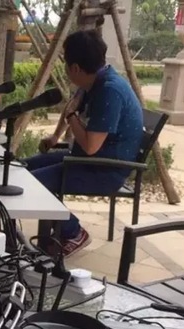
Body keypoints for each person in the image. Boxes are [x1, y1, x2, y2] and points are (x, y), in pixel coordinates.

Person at [25, 30, 143, 258]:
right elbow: (72, 106)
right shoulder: (96, 79)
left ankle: (73, 232)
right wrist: (56, 136)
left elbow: (90, 146)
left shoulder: (109, 91)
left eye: (66, 64)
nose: (65, 68)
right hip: (87, 160)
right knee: (23, 168)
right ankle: (54, 234)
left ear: (76, 68)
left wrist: (71, 116)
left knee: (33, 184)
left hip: (105, 170)